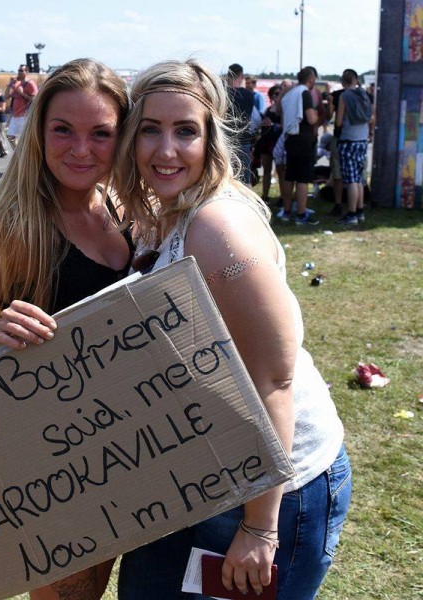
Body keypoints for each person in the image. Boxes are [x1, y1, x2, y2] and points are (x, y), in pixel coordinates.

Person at [114, 59, 351, 600]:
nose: (165, 149)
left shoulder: (217, 226)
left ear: (211, 138)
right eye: (150, 129)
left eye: (185, 131)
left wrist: (260, 526)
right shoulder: (170, 211)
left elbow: (275, 381)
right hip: (205, 475)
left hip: (273, 490)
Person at [0, 58, 132, 600]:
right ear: (38, 131)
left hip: (133, 440)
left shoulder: (125, 208)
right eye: (62, 130)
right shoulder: (17, 223)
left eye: (102, 133)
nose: (80, 149)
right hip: (55, 456)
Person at [279, 66, 320, 225]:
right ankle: (302, 214)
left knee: (290, 176)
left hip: (290, 138)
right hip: (304, 140)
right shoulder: (305, 93)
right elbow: (311, 118)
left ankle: (287, 211)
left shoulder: (290, 93)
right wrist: (316, 115)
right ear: (311, 79)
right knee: (302, 179)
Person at [335, 69, 373, 226]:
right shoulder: (364, 94)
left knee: (350, 180)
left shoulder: (344, 96)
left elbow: (338, 122)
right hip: (362, 140)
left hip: (349, 140)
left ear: (343, 82)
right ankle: (359, 211)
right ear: (356, 80)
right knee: (359, 178)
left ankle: (351, 214)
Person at [254, 84, 282, 202]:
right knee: (266, 171)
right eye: (275, 94)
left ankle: (283, 197)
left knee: (281, 172)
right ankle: (265, 196)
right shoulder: (267, 110)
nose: (277, 96)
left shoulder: (283, 110)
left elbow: (285, 126)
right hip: (267, 143)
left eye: (279, 93)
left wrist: (273, 125)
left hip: (278, 143)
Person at [6, 64, 38, 148]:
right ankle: (18, 154)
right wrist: (10, 84)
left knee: (25, 139)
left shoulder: (30, 84)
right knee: (10, 137)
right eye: (18, 70)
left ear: (26, 72)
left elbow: (35, 99)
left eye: (21, 70)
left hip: (25, 115)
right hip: (15, 115)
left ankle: (23, 156)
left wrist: (22, 93)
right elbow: (7, 96)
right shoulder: (17, 84)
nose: (19, 72)